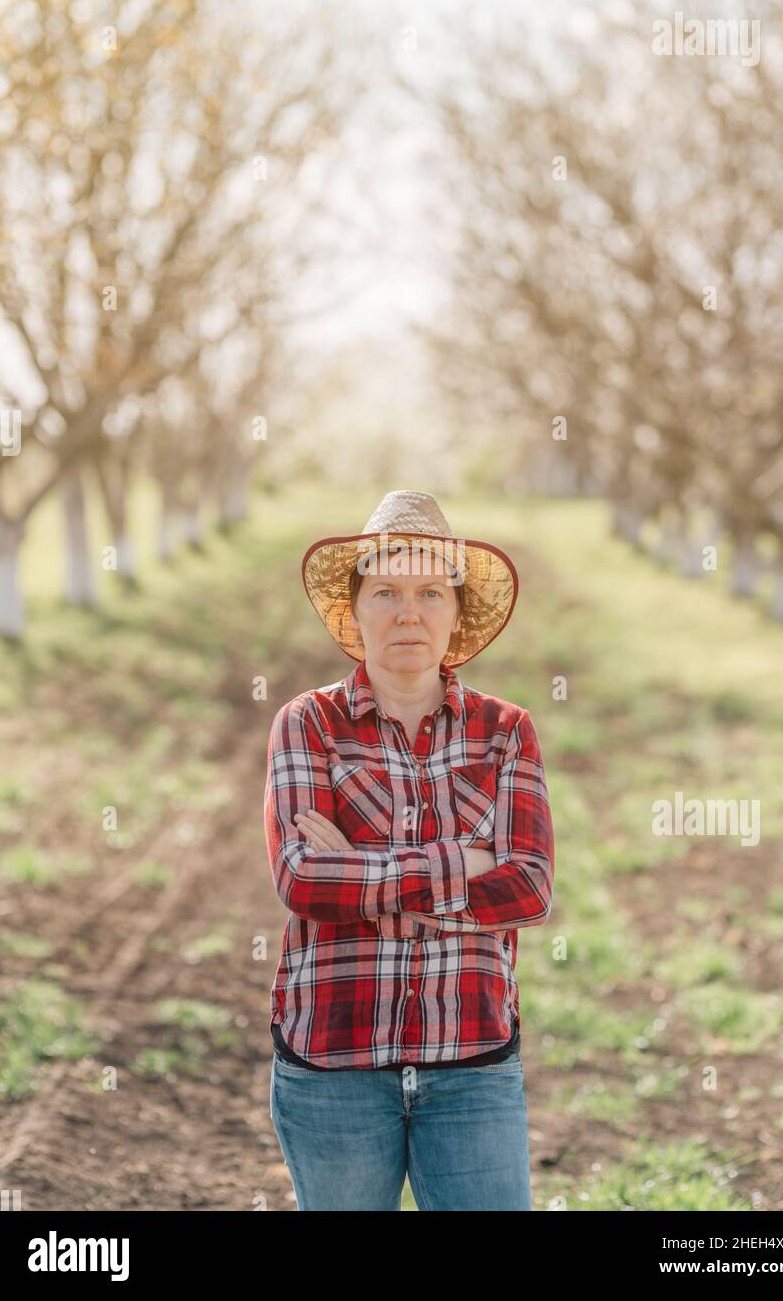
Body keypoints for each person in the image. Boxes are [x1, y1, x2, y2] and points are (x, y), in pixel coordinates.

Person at [263, 489, 555, 1210]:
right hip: (334, 1059)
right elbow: (304, 882)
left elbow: (530, 888)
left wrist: (364, 875)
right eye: (386, 591)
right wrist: (466, 863)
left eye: (430, 591)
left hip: (472, 1059)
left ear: (455, 614)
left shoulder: (505, 730)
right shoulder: (309, 723)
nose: (408, 612)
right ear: (355, 611)